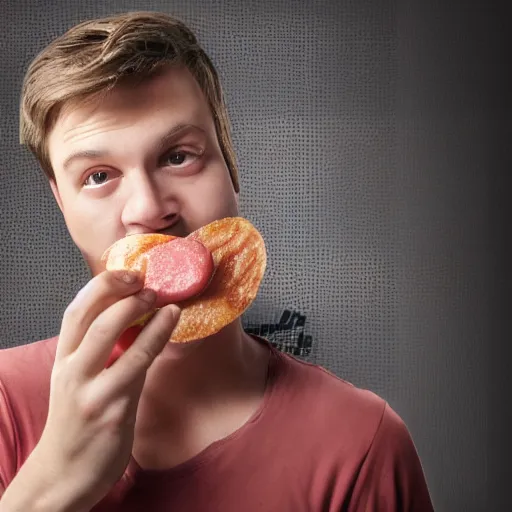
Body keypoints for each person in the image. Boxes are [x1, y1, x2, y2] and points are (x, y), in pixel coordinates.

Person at [0, 11, 434, 511]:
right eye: (98, 176)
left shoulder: (362, 445)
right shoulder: (6, 407)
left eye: (178, 156)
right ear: (61, 203)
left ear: (230, 164)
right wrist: (51, 485)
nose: (148, 210)